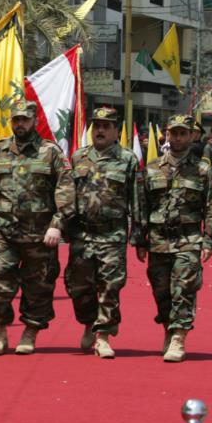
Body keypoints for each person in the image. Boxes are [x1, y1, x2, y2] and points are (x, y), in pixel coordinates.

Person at [0, 100, 75, 355]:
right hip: (2, 234)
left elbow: (66, 191)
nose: (20, 124)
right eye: (16, 119)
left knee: (38, 288)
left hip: (40, 236)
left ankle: (30, 332)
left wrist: (57, 225)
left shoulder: (50, 152)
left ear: (35, 121)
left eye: (25, 119)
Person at [137, 115, 212, 362]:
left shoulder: (202, 170)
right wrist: (140, 240)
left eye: (183, 133)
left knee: (184, 288)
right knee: (162, 292)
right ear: (167, 135)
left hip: (189, 239)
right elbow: (141, 206)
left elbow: (211, 207)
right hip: (158, 240)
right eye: (174, 133)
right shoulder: (151, 168)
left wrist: (209, 240)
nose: (178, 138)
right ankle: (168, 329)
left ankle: (178, 337)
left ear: (192, 136)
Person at [64, 107, 143, 359]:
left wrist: (138, 236)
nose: (100, 130)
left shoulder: (127, 159)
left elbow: (136, 200)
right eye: (97, 125)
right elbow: (67, 195)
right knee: (78, 287)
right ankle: (89, 322)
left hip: (112, 235)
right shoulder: (78, 157)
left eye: (106, 126)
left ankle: (103, 335)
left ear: (115, 130)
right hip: (82, 235)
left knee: (110, 286)